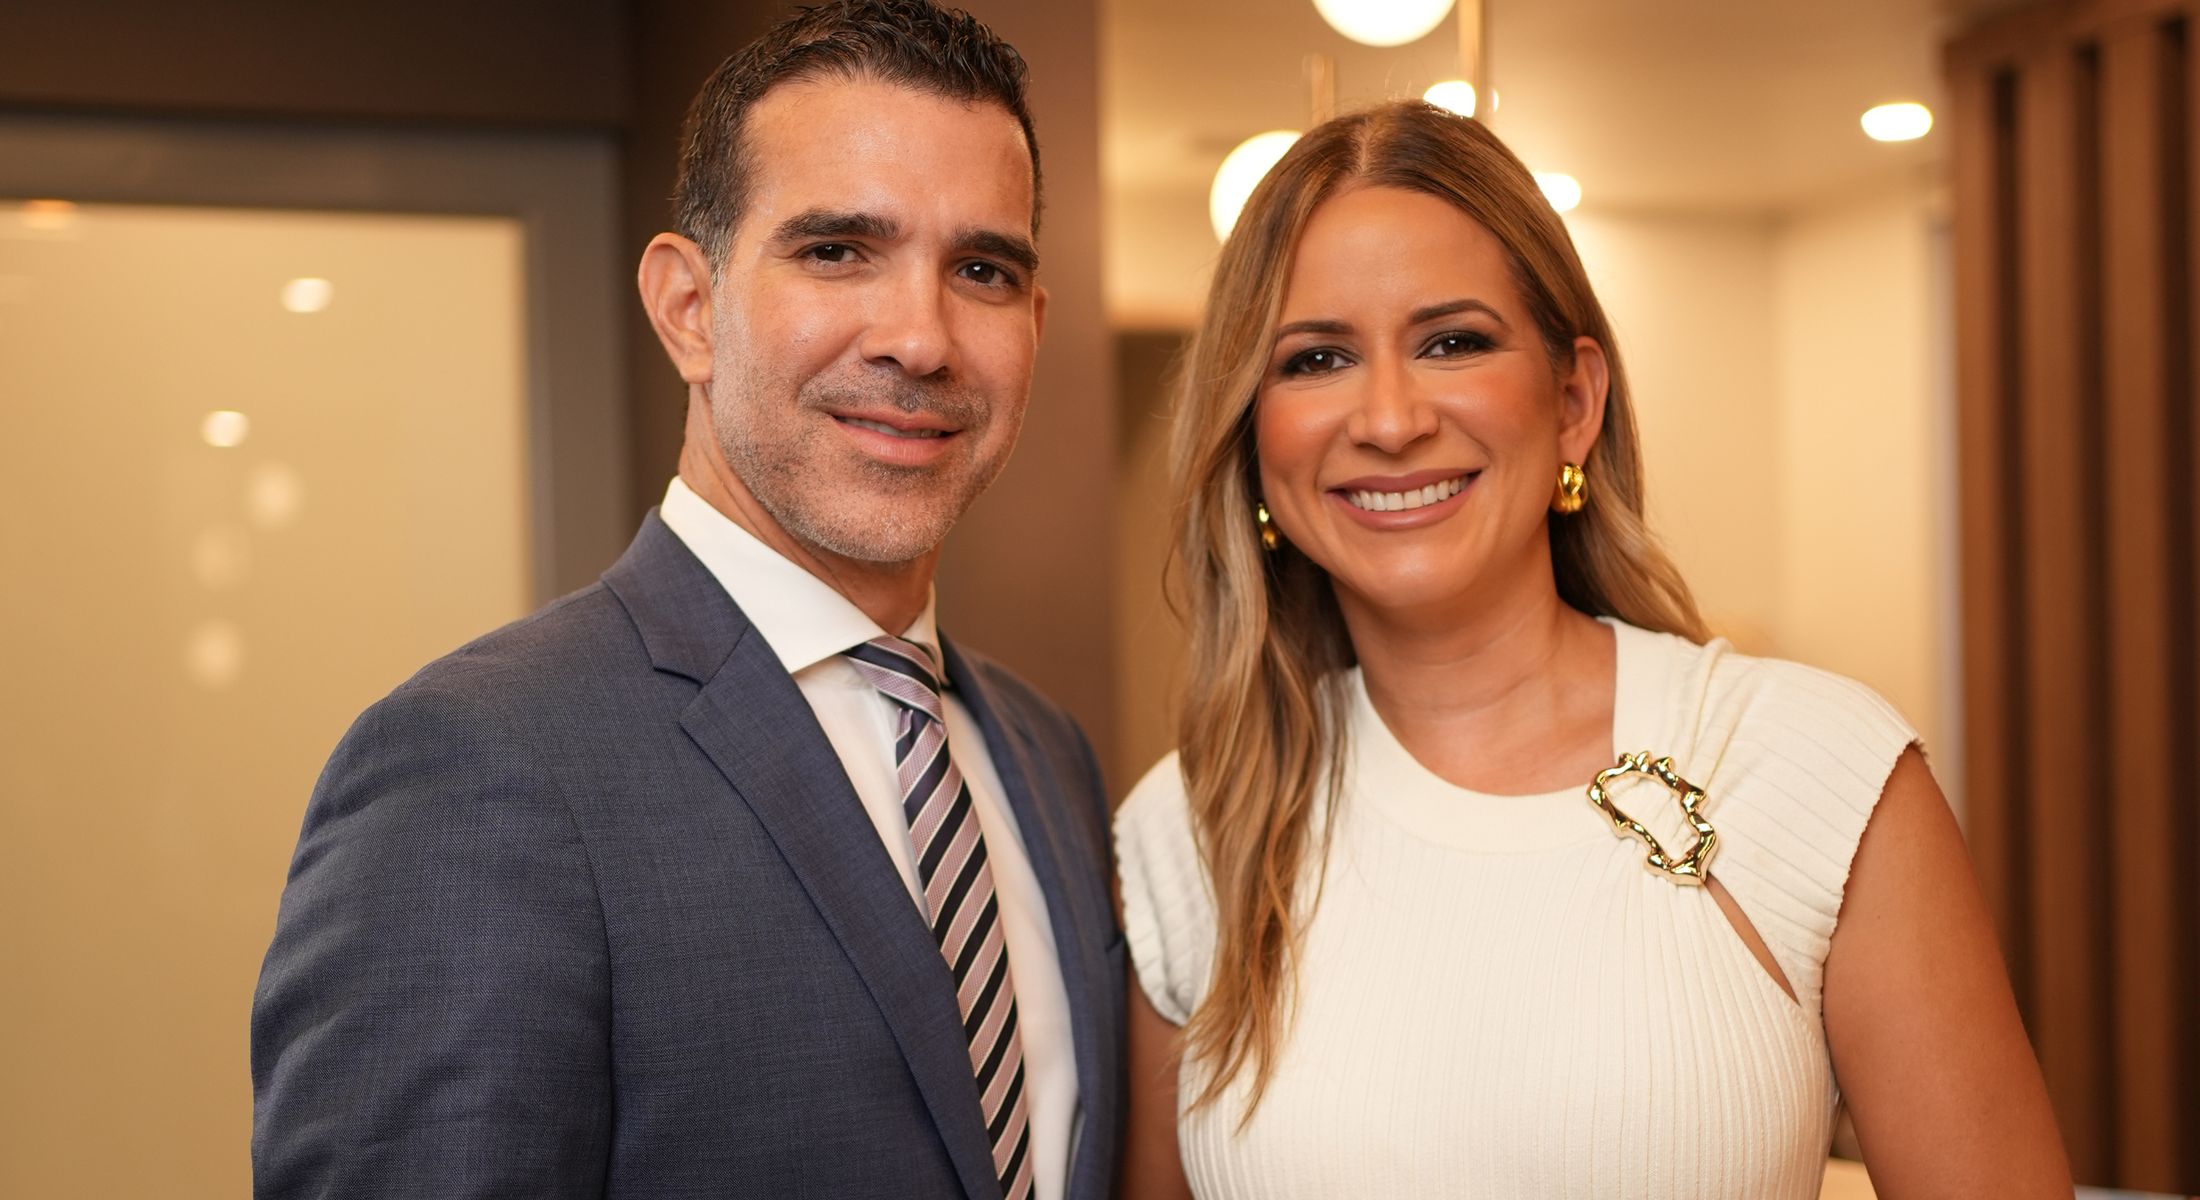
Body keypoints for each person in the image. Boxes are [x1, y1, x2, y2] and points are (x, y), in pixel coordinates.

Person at [1114, 101, 2070, 1199]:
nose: (1388, 418)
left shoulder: (1817, 768)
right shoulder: (1190, 830)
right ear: (1252, 440)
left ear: (1573, 401)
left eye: (1452, 343)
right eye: (1316, 358)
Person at [250, 4, 1123, 1197]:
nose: (921, 339)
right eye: (837, 251)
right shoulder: (483, 765)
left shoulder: (1046, 757)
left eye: (982, 271)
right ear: (687, 308)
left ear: (1034, 324)